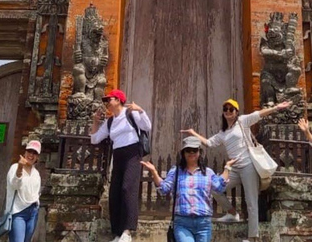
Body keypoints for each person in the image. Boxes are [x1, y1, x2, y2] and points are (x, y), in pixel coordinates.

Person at [181, 98, 292, 242]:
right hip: (234, 169)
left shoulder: (243, 121)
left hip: (248, 166)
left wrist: (277, 107)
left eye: (231, 109)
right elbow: (209, 143)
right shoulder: (223, 133)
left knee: (251, 202)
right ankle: (232, 213)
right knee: (214, 188)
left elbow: (259, 114)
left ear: (236, 112)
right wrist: (193, 133)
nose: (228, 112)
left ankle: (253, 237)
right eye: (225, 109)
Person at [141, 136, 237, 242]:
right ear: (183, 153)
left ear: (199, 152)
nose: (191, 153)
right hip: (182, 222)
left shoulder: (208, 172)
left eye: (194, 150)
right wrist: (154, 172)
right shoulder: (176, 171)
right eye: (188, 150)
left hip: (203, 223)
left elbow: (219, 187)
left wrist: (227, 168)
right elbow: (164, 189)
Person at [91, 89, 152, 242]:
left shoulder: (131, 113)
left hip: (133, 154)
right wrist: (95, 122)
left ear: (118, 100)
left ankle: (127, 231)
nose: (107, 103)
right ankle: (117, 233)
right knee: (115, 193)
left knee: (127, 188)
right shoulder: (110, 121)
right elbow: (95, 139)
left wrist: (141, 111)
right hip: (118, 156)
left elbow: (147, 127)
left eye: (109, 100)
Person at [5, 140, 42, 242]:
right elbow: (14, 185)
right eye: (29, 151)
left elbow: (36, 192)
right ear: (25, 152)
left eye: (35, 153)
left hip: (33, 211)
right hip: (18, 212)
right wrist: (20, 168)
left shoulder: (36, 173)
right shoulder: (14, 168)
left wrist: (37, 205)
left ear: (37, 157)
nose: (31, 155)